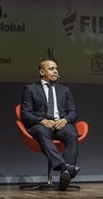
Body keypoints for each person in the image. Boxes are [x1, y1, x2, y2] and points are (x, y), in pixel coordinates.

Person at [20, 59, 80, 191]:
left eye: (56, 68)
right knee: (41, 132)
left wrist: (64, 120)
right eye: (51, 69)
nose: (55, 71)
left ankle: (66, 175)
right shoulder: (31, 89)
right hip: (41, 125)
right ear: (42, 72)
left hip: (60, 125)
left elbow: (73, 112)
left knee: (72, 133)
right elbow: (25, 114)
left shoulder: (64, 90)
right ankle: (65, 168)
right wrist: (42, 121)